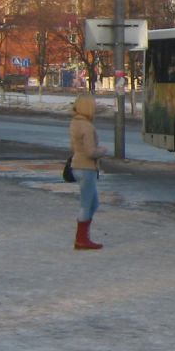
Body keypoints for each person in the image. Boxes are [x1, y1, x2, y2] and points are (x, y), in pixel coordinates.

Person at [69, 94, 108, 250]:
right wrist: (103, 150)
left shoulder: (75, 122)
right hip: (86, 168)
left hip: (77, 165)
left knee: (93, 203)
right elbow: (91, 151)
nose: (96, 108)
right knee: (87, 204)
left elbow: (74, 147)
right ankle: (81, 239)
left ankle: (83, 237)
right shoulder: (87, 126)